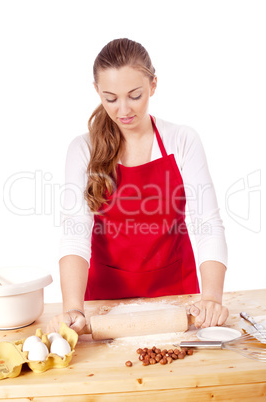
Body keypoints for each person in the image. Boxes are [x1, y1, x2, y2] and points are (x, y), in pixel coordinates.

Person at [47, 38, 228, 335]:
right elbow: (75, 231)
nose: (123, 110)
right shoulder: (82, 149)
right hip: (104, 304)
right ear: (97, 92)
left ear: (153, 85)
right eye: (111, 98)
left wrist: (210, 299)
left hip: (178, 298)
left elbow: (207, 222)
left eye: (135, 95)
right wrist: (73, 309)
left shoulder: (182, 140)